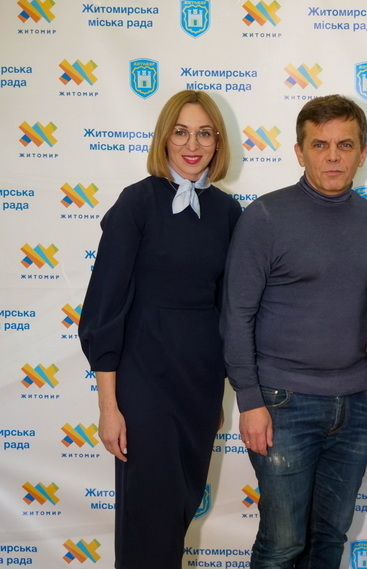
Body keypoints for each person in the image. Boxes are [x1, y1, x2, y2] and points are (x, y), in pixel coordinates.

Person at [220, 94, 367, 569]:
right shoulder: (265, 217)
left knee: (329, 540)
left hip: (354, 402)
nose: (333, 156)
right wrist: (250, 401)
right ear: (299, 152)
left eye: (345, 145)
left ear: (363, 152)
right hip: (282, 403)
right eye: (320, 145)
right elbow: (236, 316)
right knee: (281, 545)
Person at [78, 90, 242, 569]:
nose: (193, 145)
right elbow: (104, 309)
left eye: (205, 133)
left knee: (178, 513)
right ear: (164, 138)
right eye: (181, 132)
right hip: (144, 384)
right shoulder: (137, 202)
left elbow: (226, 310)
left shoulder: (228, 212)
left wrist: (216, 394)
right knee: (148, 519)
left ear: (218, 142)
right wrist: (109, 407)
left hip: (199, 385)